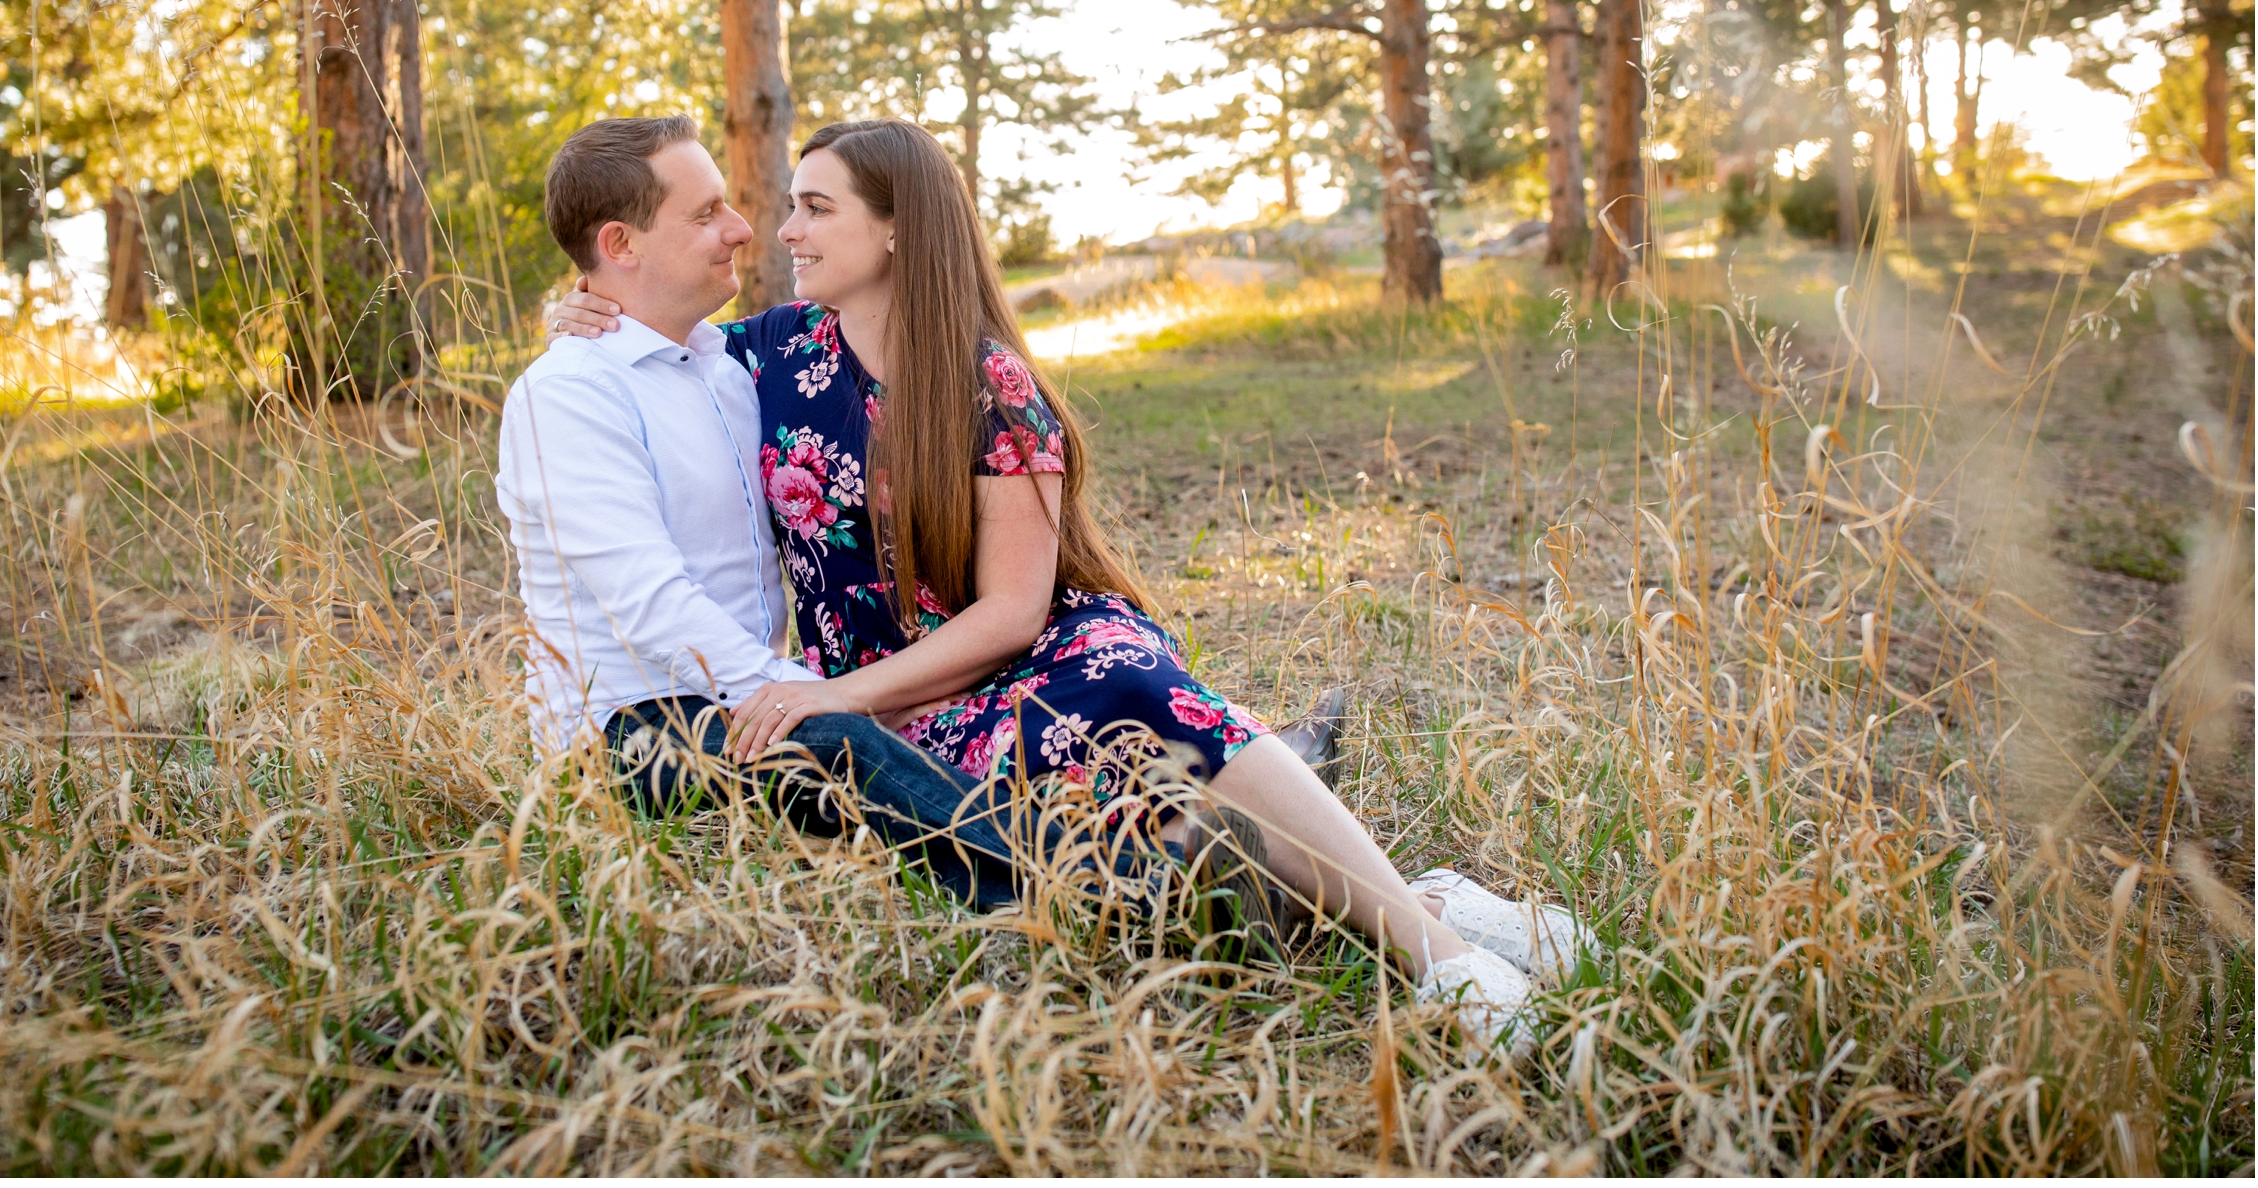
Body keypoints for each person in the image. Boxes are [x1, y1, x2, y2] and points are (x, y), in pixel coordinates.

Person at [549, 118, 1596, 1040]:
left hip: (1003, 661)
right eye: (788, 208)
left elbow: (1013, 611)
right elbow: (650, 336)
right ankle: (1431, 896)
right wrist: (579, 307)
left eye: (815, 207)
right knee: (1163, 832)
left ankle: (1437, 957)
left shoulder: (990, 381)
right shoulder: (762, 356)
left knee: (1128, 677)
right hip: (886, 710)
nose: (783, 230)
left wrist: (831, 695)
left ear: (898, 226)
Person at [496, 116, 1043, 911]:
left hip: (746, 702)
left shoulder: (728, 368)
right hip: (625, 737)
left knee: (976, 715)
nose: (744, 228)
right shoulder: (570, 395)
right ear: (621, 243)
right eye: (706, 211)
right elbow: (652, 608)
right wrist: (807, 690)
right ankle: (1112, 888)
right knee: (837, 747)